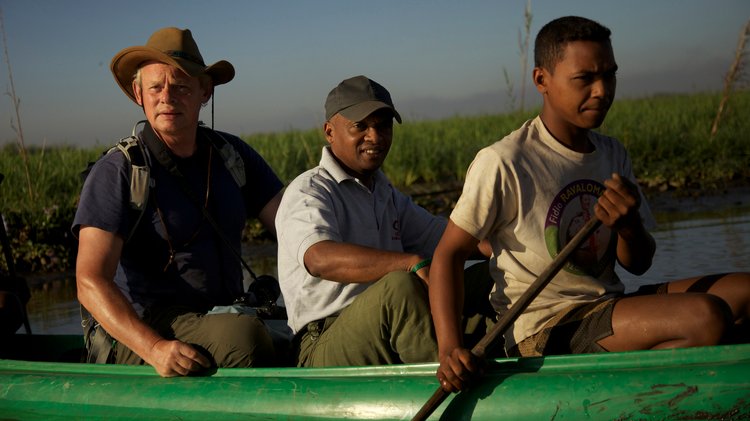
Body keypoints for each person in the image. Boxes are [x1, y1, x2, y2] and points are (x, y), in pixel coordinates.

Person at [430, 16, 750, 393]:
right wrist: (450, 349)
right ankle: (644, 399)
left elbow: (638, 262)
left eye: (609, 76)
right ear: (541, 80)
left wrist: (628, 225)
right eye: (585, 79)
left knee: (744, 290)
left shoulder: (611, 153)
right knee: (705, 317)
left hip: (606, 308)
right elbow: (448, 255)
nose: (602, 91)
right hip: (545, 329)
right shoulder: (505, 162)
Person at [73, 27, 284, 377]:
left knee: (293, 329)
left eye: (182, 86)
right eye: (156, 87)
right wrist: (154, 349)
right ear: (139, 93)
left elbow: (292, 228)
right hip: (144, 329)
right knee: (244, 338)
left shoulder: (232, 155)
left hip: (222, 316)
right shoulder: (119, 170)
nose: (167, 97)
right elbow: (89, 281)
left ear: (205, 92)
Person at [276, 75, 494, 368]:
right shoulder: (309, 190)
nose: (375, 137)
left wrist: (507, 247)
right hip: (322, 342)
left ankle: (519, 361)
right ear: (329, 132)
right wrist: (409, 262)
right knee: (400, 287)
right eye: (360, 126)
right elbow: (318, 258)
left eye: (383, 126)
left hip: (388, 322)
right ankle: (447, 381)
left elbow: (447, 239)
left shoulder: (385, 193)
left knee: (491, 272)